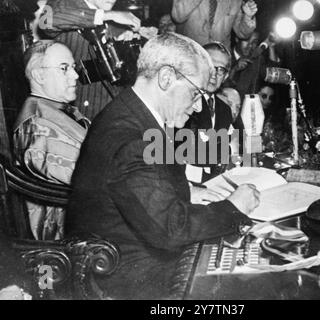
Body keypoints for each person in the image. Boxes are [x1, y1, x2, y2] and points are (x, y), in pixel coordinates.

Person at [66, 32, 260, 299]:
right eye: (195, 93)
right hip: (130, 277)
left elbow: (143, 186)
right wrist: (233, 207)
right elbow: (170, 230)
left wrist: (190, 191)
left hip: (132, 258)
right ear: (166, 78)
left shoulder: (131, 114)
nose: (196, 106)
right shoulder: (132, 137)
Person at [13, 40, 90, 240]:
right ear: (39, 75)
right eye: (64, 69)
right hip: (63, 235)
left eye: (73, 67)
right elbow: (90, 177)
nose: (75, 75)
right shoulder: (36, 126)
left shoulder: (57, 110)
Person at [39, 0, 142, 119]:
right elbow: (46, 21)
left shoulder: (111, 14)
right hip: (81, 109)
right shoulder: (64, 3)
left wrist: (126, 46)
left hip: (115, 103)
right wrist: (109, 15)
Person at [184, 42, 234, 182]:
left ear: (225, 76)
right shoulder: (184, 102)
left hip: (212, 182)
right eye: (209, 66)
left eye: (220, 70)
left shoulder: (225, 110)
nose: (214, 74)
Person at [171, 0, 258, 50]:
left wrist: (247, 16)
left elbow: (242, 34)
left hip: (217, 61)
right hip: (189, 53)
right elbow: (178, 16)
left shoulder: (236, 1)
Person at [227, 31, 281, 98]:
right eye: (246, 40)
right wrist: (234, 69)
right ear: (237, 39)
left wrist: (271, 47)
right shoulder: (226, 57)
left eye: (254, 42)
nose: (250, 45)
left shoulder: (257, 59)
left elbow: (273, 74)